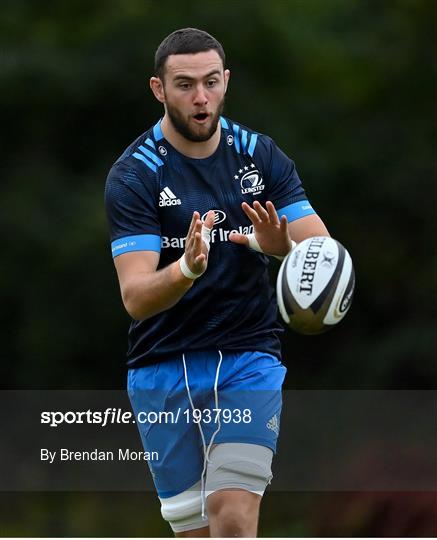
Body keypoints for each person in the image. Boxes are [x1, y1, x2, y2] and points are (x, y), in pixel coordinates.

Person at [105, 28, 329, 537]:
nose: (200, 98)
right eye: (184, 85)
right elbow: (136, 298)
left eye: (210, 82)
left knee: (231, 513)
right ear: (159, 90)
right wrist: (186, 269)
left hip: (248, 358)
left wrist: (285, 249)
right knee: (197, 531)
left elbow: (324, 256)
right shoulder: (135, 175)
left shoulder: (260, 156)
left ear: (226, 82)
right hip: (161, 367)